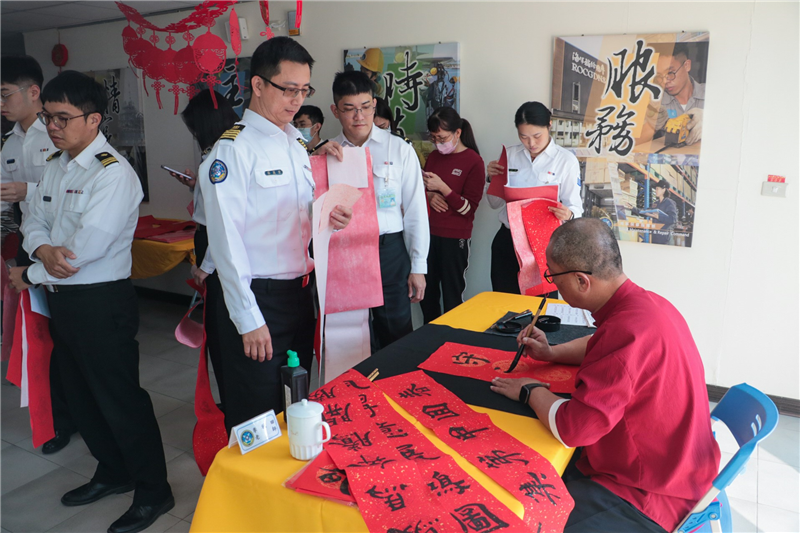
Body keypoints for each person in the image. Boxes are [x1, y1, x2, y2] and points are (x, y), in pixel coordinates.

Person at [8, 70, 173, 533]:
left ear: (94, 119)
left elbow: (83, 253)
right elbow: (32, 219)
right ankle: (113, 471)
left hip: (101, 303)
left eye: (62, 118)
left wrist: (29, 271)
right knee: (80, 396)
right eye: (48, 116)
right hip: (63, 303)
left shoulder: (113, 175)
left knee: (120, 399)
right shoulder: (56, 165)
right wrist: (41, 250)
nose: (53, 127)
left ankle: (153, 491)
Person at [490, 218, 719, 533]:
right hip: (681, 465)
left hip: (649, 494)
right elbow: (604, 345)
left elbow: (575, 428)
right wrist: (552, 353)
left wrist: (531, 391)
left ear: (582, 281)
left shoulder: (626, 330)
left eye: (554, 276)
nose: (553, 284)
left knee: (526, 518)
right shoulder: (648, 305)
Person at [197, 37, 352, 434]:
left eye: (304, 90)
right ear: (259, 85)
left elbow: (295, 220)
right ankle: (246, 495)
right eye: (288, 89)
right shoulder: (232, 152)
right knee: (256, 416)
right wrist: (248, 319)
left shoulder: (296, 145)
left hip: (297, 296)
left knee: (294, 407)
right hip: (256, 300)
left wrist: (329, 217)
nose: (297, 99)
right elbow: (226, 241)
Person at [1, 55, 77, 456]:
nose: (1, 103)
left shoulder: (60, 139)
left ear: (33, 92)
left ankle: (76, 413)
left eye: (4, 93)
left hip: (61, 253)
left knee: (68, 341)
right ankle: (59, 420)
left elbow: (62, 195)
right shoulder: (10, 142)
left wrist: (27, 192)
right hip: (29, 250)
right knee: (40, 340)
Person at [325, 70, 429, 350]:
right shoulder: (327, 154)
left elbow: (416, 211)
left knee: (394, 327)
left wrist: (418, 266)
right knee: (348, 332)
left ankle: (396, 388)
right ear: (336, 110)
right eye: (349, 109)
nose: (359, 116)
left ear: (374, 104)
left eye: (366, 107)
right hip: (343, 251)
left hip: (389, 250)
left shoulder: (398, 149)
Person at [167, 90, 240, 410]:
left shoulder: (219, 157)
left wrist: (206, 267)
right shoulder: (226, 150)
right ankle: (231, 394)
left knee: (223, 329)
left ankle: (231, 397)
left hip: (214, 244)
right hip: (212, 240)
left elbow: (223, 223)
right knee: (222, 326)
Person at [486, 101, 583, 294]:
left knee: (542, 307)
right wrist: (491, 179)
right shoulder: (510, 155)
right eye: (524, 137)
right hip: (508, 240)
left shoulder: (565, 160)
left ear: (549, 125)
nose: (531, 143)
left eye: (537, 136)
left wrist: (568, 214)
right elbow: (494, 203)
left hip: (544, 244)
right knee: (504, 305)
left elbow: (576, 208)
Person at [419, 107, 484, 322]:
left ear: (457, 133)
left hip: (455, 238)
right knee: (426, 296)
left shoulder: (474, 161)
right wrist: (429, 195)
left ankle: (450, 344)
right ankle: (429, 342)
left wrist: (444, 188)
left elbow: (468, 210)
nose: (438, 143)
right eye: (434, 138)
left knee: (452, 298)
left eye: (443, 138)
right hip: (428, 235)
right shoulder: (435, 157)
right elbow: (420, 190)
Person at [653, 43, 705, 145]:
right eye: (659, 75)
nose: (665, 81)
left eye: (670, 73)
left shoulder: (713, 94)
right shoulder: (655, 103)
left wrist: (710, 118)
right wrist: (651, 127)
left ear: (686, 65)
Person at [641, 179, 678, 245]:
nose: (656, 191)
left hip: (665, 241)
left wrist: (658, 216)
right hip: (655, 238)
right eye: (655, 189)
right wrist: (633, 208)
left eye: (657, 189)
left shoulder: (669, 203)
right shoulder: (656, 204)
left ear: (663, 190)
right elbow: (646, 211)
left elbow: (673, 219)